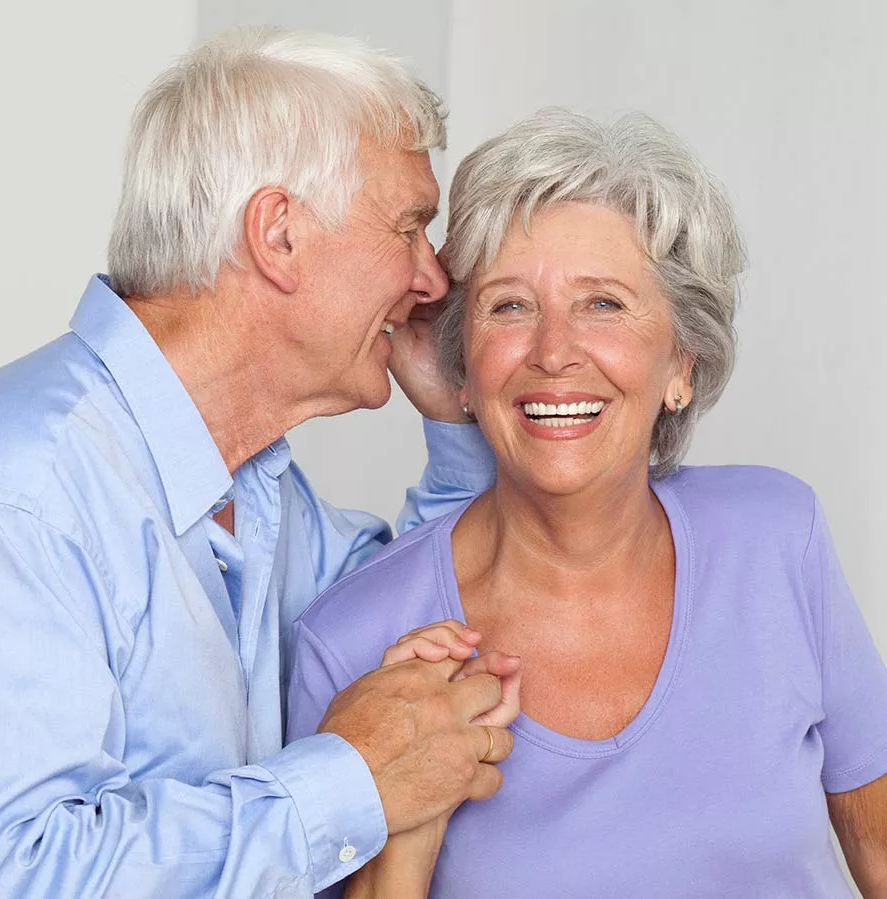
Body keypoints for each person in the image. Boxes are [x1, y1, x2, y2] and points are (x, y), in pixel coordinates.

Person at [0, 27, 524, 899]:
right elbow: (3, 881)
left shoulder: (254, 489)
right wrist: (349, 780)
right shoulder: (9, 498)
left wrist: (460, 411)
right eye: (410, 227)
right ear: (277, 234)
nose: (434, 279)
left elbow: (436, 603)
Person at [287, 108, 887, 898]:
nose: (554, 351)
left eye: (602, 303)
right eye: (509, 306)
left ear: (682, 361)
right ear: (461, 365)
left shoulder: (778, 537)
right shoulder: (352, 641)